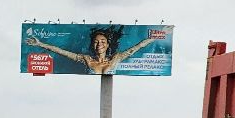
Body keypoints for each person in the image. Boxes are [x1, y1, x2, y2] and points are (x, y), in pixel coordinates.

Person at [25, 26, 164, 76]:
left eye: (103, 42)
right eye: (96, 42)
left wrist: (161, 33)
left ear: (108, 44)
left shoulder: (116, 58)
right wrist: (40, 43)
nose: (99, 44)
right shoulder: (86, 59)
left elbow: (138, 46)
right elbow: (61, 51)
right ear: (92, 44)